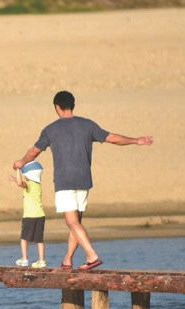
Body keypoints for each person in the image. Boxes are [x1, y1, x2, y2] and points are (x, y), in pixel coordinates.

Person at [13, 91, 153, 270]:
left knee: (71, 221)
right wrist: (136, 140)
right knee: (76, 221)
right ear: (73, 105)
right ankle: (67, 260)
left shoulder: (51, 129)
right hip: (84, 180)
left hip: (65, 181)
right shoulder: (88, 125)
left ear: (57, 107)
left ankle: (91, 255)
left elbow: (34, 152)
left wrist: (21, 162)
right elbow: (112, 138)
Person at [7, 160, 46, 268]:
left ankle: (24, 259)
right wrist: (15, 180)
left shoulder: (28, 184)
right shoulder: (37, 185)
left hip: (29, 216)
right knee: (39, 239)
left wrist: (18, 170)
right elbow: (21, 183)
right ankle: (41, 261)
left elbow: (21, 184)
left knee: (24, 238)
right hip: (40, 215)